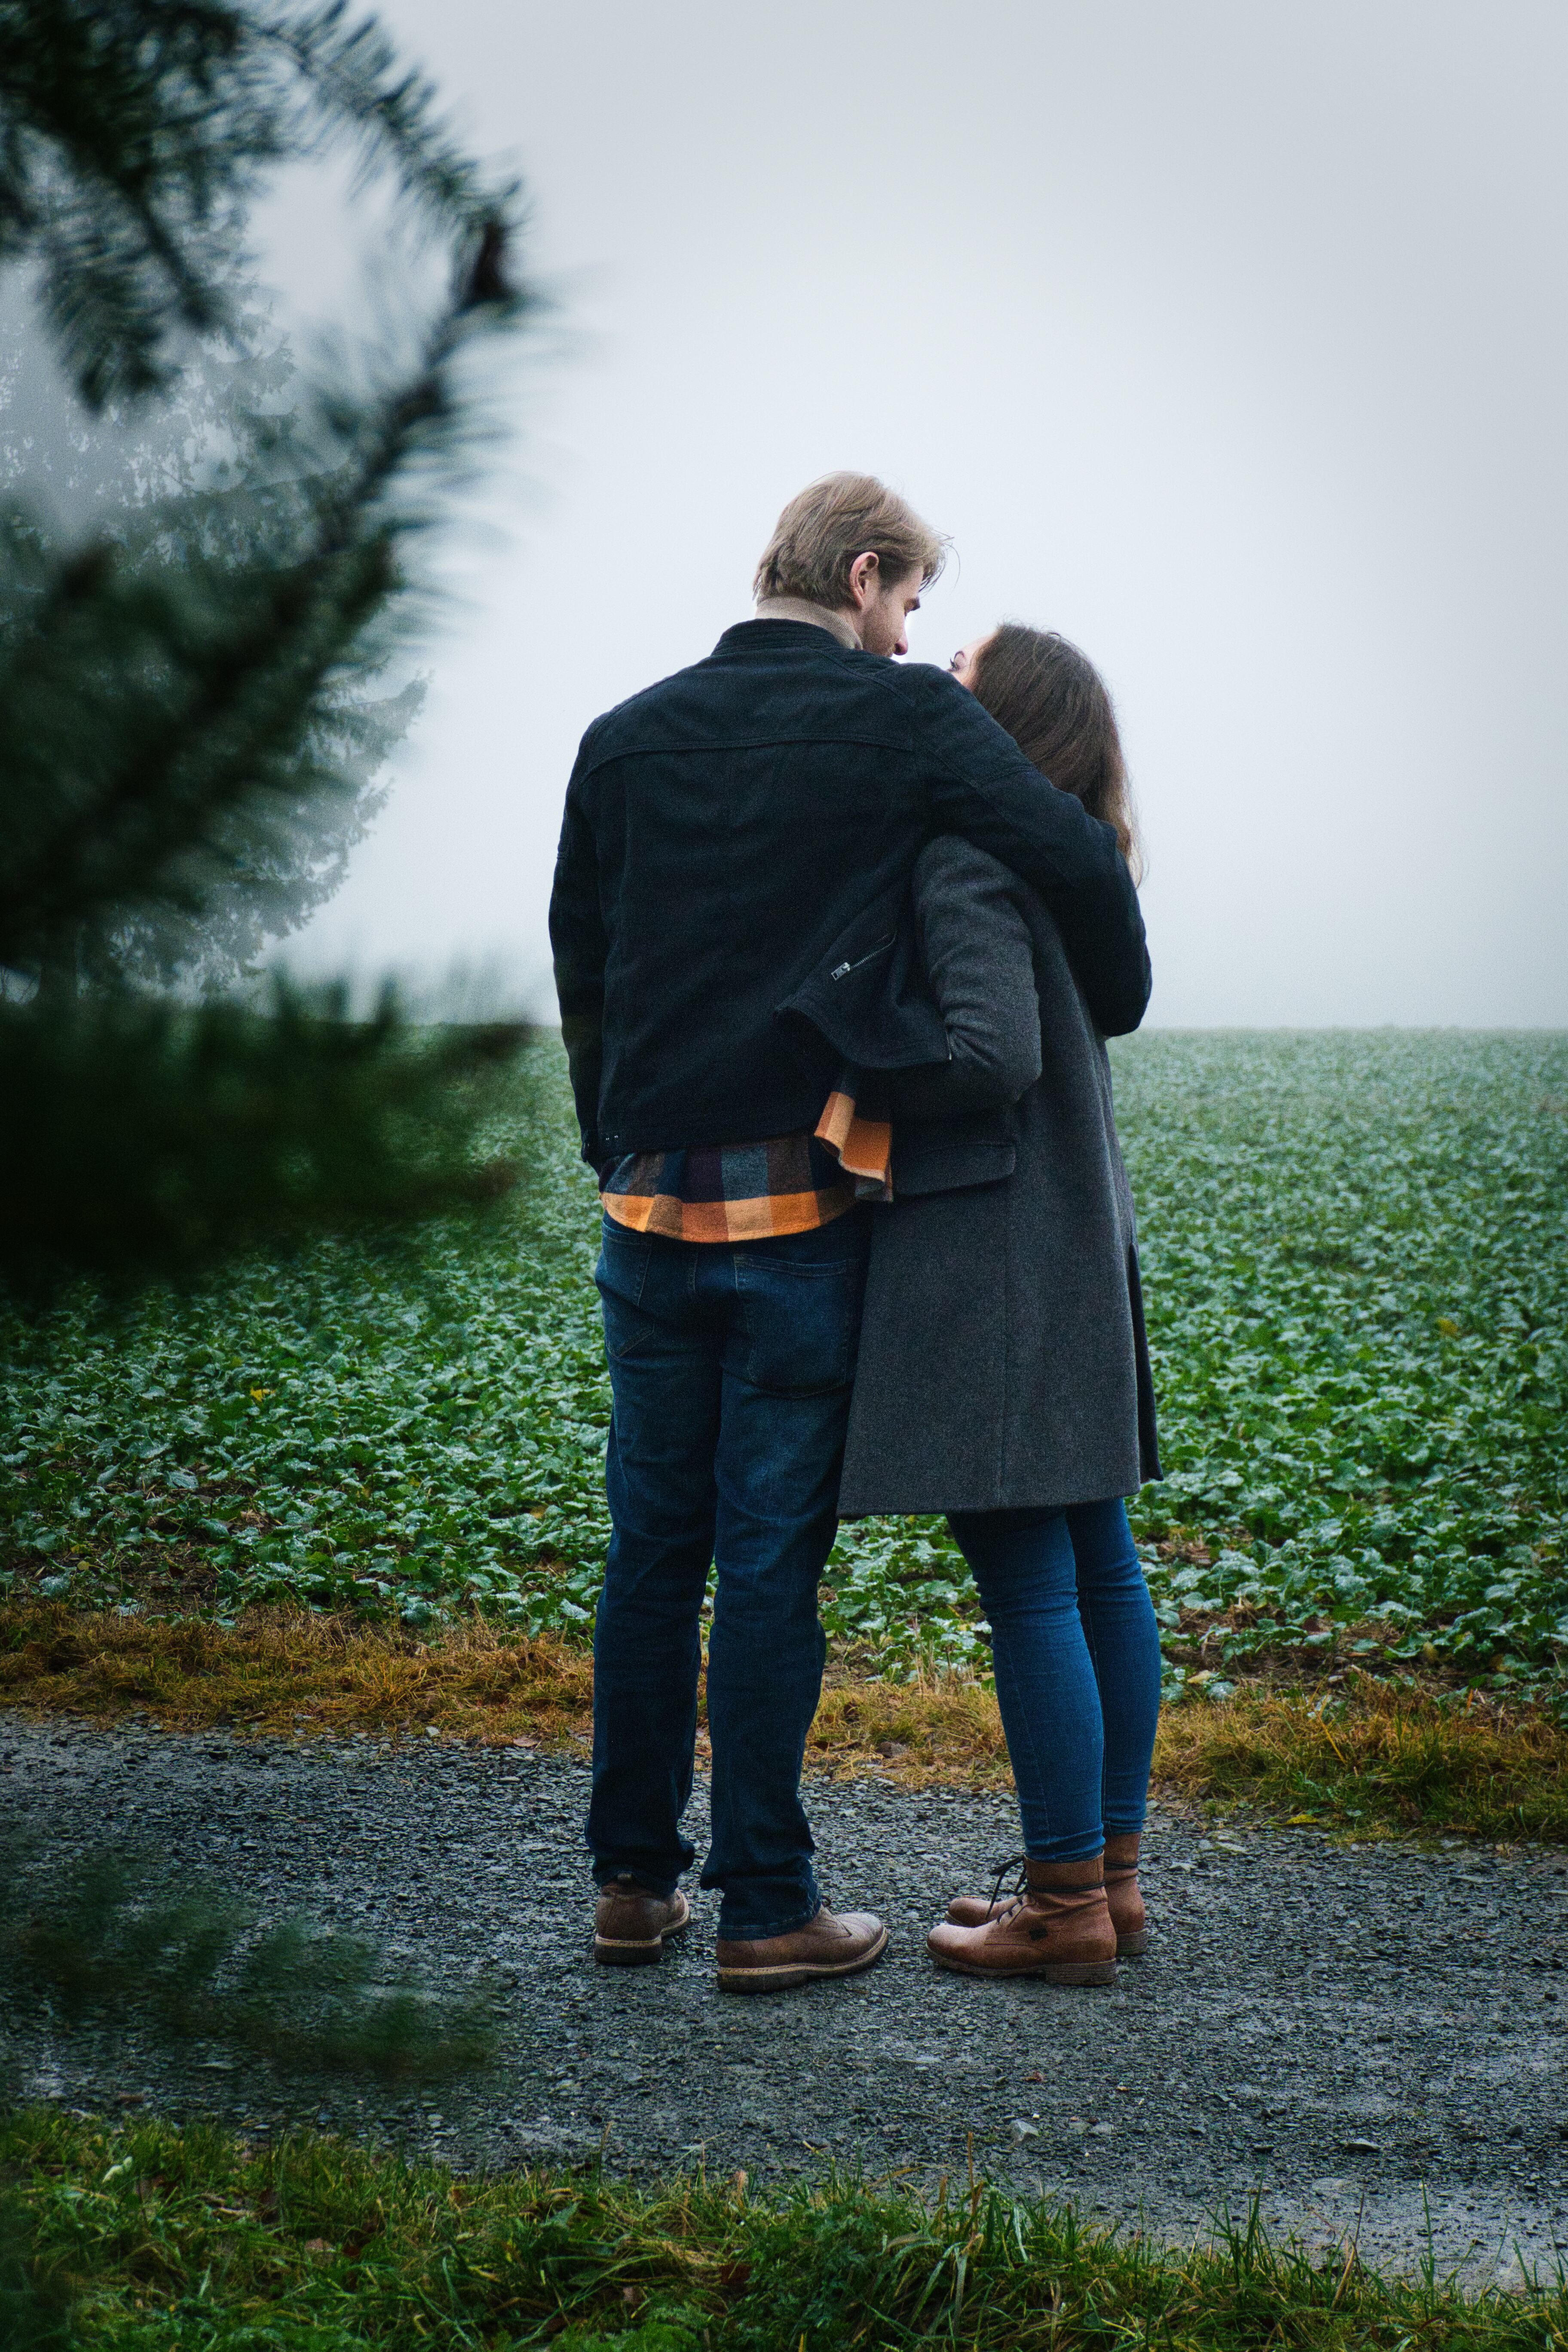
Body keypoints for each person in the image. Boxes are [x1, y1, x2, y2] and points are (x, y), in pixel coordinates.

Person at [548, 477, 1150, 1994]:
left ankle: (632, 1890)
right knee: (764, 1567)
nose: (907, 644)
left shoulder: (619, 739)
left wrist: (605, 1142)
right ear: (866, 576)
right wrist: (1122, 990)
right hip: (799, 1210)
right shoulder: (907, 727)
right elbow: (1071, 857)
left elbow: (584, 970)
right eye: (910, 610)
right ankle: (765, 1908)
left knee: (647, 1552)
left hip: (646, 1203)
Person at [834, 624, 1163, 1989]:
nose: (933, 689)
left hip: (999, 1256)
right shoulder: (1077, 858)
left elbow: (988, 1052)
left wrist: (850, 1066)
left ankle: (1062, 1904)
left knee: (1031, 1575)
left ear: (1000, 722)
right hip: (1078, 1245)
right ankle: (1114, 1882)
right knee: (1099, 1566)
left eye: (957, 676)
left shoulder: (968, 857)